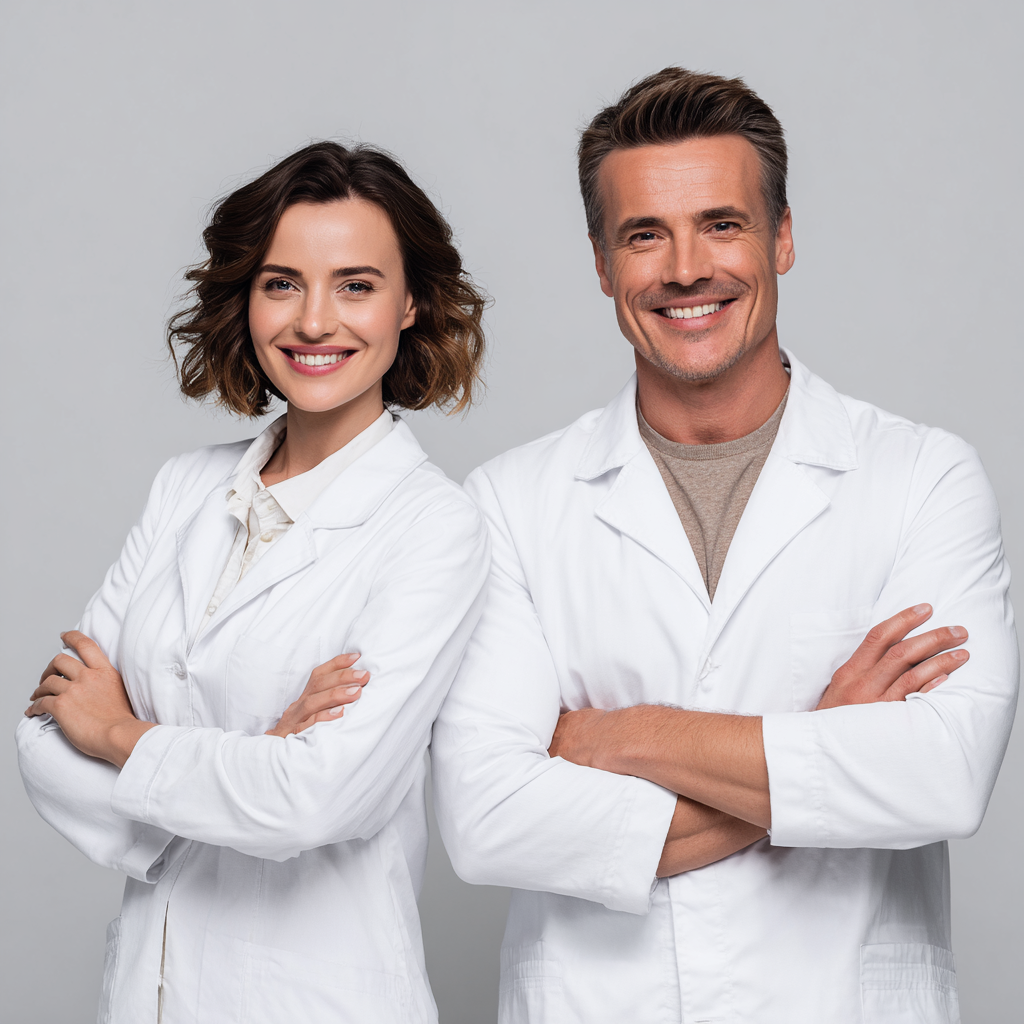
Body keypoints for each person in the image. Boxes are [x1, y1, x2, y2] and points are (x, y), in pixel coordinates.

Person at [431, 68, 1018, 1023]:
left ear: (782, 236)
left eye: (723, 223)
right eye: (644, 235)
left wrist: (619, 737)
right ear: (600, 259)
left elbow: (942, 776)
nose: (685, 268)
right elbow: (486, 824)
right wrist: (825, 739)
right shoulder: (510, 504)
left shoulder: (920, 478)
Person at [17, 142, 490, 1023]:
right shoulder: (184, 486)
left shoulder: (434, 528)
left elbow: (319, 799)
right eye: (282, 283)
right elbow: (43, 741)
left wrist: (123, 735)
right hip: (145, 993)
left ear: (411, 302)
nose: (315, 321)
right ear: (247, 296)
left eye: (356, 285)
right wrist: (258, 758)